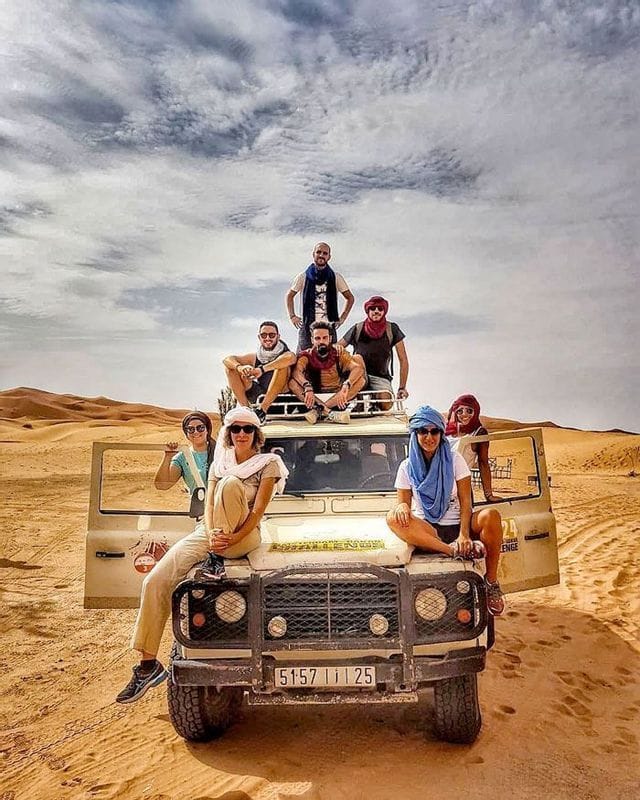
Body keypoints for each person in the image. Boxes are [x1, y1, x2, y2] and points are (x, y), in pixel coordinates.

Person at [116, 407, 288, 704]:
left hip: (245, 535)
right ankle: (147, 665)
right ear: (229, 434)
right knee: (155, 581)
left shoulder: (269, 464)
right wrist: (211, 536)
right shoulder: (218, 463)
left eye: (248, 429)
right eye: (236, 429)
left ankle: (216, 561)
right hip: (208, 535)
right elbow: (208, 504)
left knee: (231, 484)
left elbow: (258, 510)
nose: (242, 434)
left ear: (257, 435)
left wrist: (231, 538)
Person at [386, 405, 505, 616]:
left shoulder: (455, 460)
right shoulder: (406, 467)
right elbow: (401, 503)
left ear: (441, 434)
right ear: (416, 434)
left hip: (458, 524)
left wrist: (464, 534)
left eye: (434, 431)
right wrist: (403, 506)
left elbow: (466, 501)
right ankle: (451, 551)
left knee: (491, 516)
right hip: (428, 530)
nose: (429, 437)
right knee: (393, 519)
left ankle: (492, 582)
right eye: (423, 431)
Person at [289, 320, 366, 424]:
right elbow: (296, 372)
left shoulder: (338, 353)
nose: (321, 341)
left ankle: (319, 411)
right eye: (317, 338)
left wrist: (346, 385)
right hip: (313, 397)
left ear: (330, 339)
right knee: (292, 383)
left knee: (360, 381)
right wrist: (307, 386)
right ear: (312, 340)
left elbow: (358, 369)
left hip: (337, 398)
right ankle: (328, 413)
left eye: (324, 338)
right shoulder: (306, 355)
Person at [339, 295, 409, 409]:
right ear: (368, 310)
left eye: (380, 308)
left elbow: (403, 359)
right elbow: (338, 347)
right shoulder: (358, 328)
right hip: (360, 376)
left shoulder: (392, 329)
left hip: (381, 377)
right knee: (357, 357)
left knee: (387, 402)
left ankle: (374, 402)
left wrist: (402, 387)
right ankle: (359, 403)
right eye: (373, 308)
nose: (376, 311)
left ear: (384, 311)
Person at [285, 242, 354, 352]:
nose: (321, 255)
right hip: (307, 326)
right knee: (303, 359)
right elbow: (289, 295)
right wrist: (292, 316)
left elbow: (350, 297)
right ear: (313, 254)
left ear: (329, 257)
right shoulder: (303, 276)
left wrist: (342, 318)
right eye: (319, 252)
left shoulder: (336, 277)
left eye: (325, 253)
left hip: (329, 327)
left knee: (330, 362)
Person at [222, 321, 296, 423]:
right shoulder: (255, 357)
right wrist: (240, 368)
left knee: (282, 366)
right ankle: (246, 409)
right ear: (259, 337)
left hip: (281, 399)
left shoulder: (285, 354)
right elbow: (227, 360)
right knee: (230, 368)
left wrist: (261, 369)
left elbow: (291, 358)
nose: (268, 338)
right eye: (264, 335)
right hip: (260, 396)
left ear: (278, 337)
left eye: (272, 335)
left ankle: (262, 411)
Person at [445, 394, 502, 503]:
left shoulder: (478, 433)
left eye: (469, 410)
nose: (464, 414)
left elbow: (483, 462)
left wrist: (488, 495)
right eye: (460, 411)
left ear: (475, 411)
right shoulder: (445, 432)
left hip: (462, 489)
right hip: (439, 488)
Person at [153, 411, 216, 494]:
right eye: (191, 429)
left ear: (207, 430)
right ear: (186, 433)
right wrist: (168, 456)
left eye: (200, 427)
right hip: (198, 505)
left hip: (223, 505)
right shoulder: (182, 457)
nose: (196, 432)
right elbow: (161, 486)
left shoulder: (221, 452)